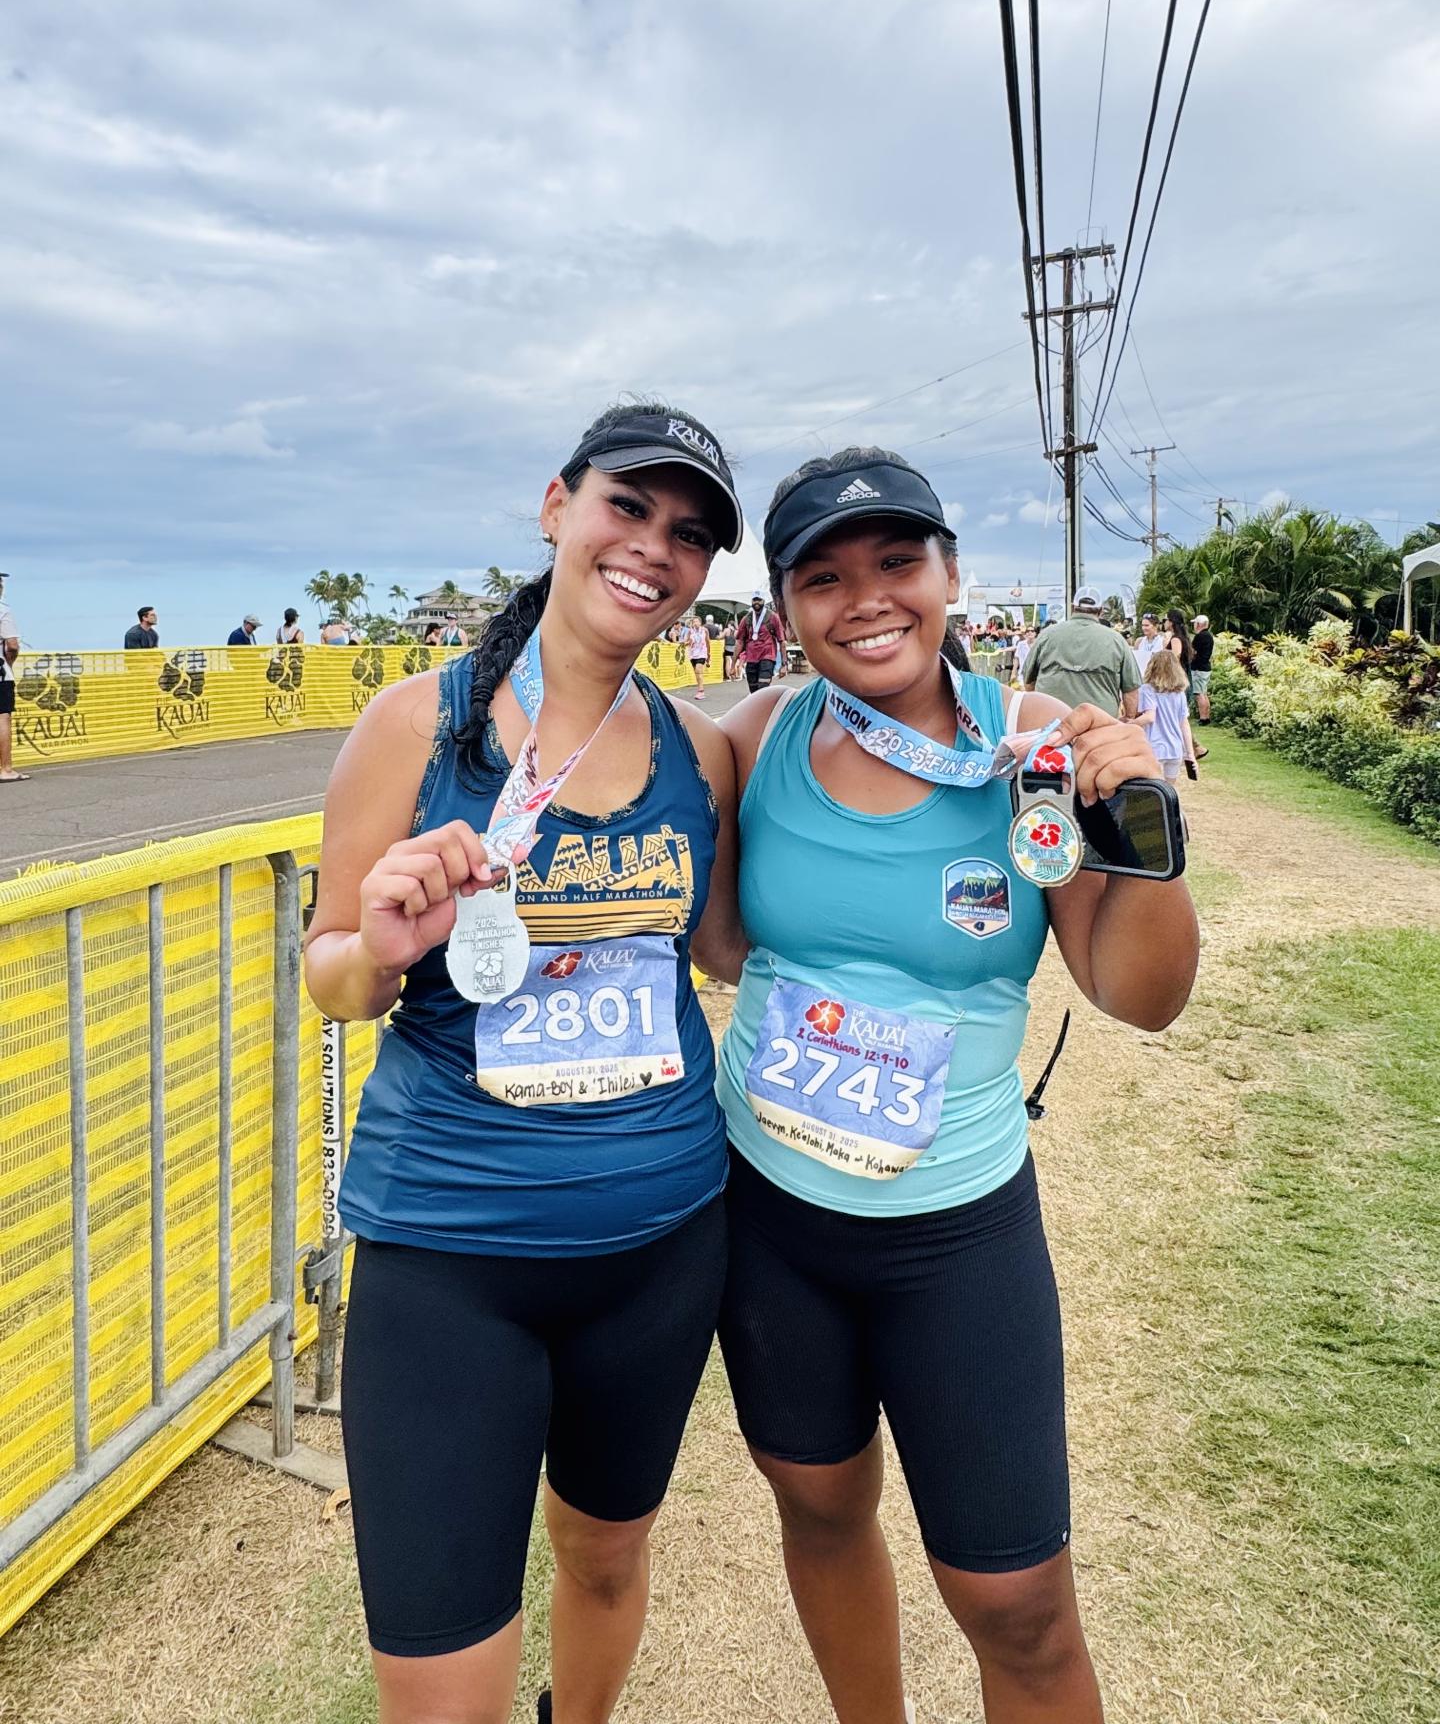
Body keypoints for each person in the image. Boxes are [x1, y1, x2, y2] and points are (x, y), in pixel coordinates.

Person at [705, 445, 1198, 1724]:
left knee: (1019, 1605)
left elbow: (1139, 992)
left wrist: (1140, 821)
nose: (865, 598)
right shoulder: (753, 742)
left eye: (897, 562)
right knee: (818, 1511)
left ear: (950, 576)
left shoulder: (1034, 749)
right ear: (787, 609)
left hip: (958, 1232)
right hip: (769, 1216)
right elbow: (714, 942)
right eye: (824, 576)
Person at [303, 402, 745, 1724]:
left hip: (663, 1248)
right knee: (441, 1683)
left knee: (607, 1561)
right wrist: (377, 945)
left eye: (690, 533)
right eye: (629, 507)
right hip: (450, 1259)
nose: (653, 549)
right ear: (558, 506)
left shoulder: (701, 750)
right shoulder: (415, 727)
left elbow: (726, 956)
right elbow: (330, 976)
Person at [1022, 587, 1141, 718]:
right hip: (1099, 723)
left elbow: (1028, 681)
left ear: (1073, 607)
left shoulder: (1047, 635)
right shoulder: (1117, 640)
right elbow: (1131, 690)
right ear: (1100, 611)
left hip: (1052, 722)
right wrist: (1129, 719)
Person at [1135, 649, 1195, 783]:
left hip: (1155, 747)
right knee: (1169, 790)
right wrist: (1190, 753)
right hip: (1175, 748)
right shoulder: (1179, 693)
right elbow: (1184, 724)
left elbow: (1149, 717)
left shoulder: (1148, 689)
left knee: (1154, 791)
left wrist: (1127, 724)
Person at [1162, 610, 1205, 758]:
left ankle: (1194, 748)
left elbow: (1175, 656)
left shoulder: (1175, 639)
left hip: (1177, 681)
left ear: (1171, 622)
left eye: (1166, 620)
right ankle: (1194, 748)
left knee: (1177, 717)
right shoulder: (1184, 638)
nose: (1164, 623)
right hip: (1184, 679)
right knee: (1179, 717)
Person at [0, 572, 27, 783]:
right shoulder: (3, 611)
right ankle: (5, 768)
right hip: (1, 673)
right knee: (3, 717)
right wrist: (10, 662)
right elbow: (12, 645)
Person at [734, 592, 785, 693]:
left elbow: (782, 641)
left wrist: (784, 664)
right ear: (751, 602)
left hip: (767, 657)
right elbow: (740, 642)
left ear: (764, 601)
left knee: (763, 688)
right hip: (751, 659)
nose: (757, 602)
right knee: (753, 691)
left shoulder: (772, 617)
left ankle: (766, 707)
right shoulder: (746, 619)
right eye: (754, 600)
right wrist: (733, 665)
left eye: (759, 600)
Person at [1191, 615, 1216, 725]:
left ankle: (1203, 718)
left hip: (1198, 668)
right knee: (1204, 693)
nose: (1194, 625)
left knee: (1199, 693)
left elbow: (1193, 651)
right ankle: (1206, 716)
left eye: (1195, 623)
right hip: (1205, 667)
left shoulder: (1200, 636)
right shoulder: (1209, 636)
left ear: (1199, 624)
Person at [685, 613, 711, 699]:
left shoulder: (705, 630)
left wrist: (708, 654)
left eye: (696, 621)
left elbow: (707, 642)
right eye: (693, 622)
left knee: (698, 670)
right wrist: (687, 643)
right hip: (693, 654)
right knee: (696, 672)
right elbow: (686, 642)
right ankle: (699, 688)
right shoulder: (690, 631)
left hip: (702, 653)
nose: (695, 623)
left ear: (700, 622)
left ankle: (701, 691)